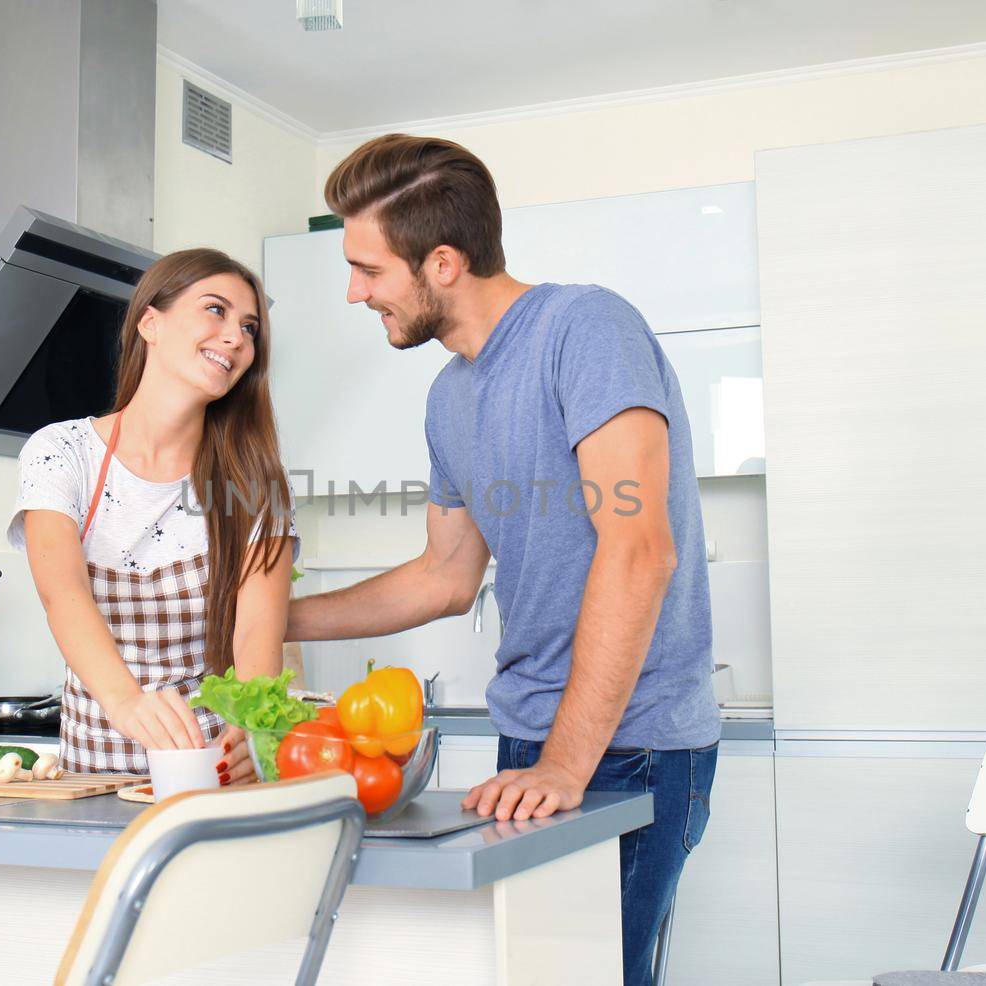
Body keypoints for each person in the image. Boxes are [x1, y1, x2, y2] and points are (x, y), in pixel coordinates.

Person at [285, 135, 719, 986]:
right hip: (529, 738)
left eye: (368, 269)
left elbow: (640, 551)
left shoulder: (584, 329)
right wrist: (277, 616)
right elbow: (443, 577)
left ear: (442, 262)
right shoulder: (450, 396)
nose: (354, 291)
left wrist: (566, 762)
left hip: (626, 744)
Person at [10, 248, 296, 783]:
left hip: (213, 775)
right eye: (216, 309)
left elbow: (257, 628)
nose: (237, 337)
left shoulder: (256, 482)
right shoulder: (61, 451)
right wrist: (128, 702)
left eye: (250, 327)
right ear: (150, 323)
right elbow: (63, 595)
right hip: (93, 777)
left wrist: (251, 726)